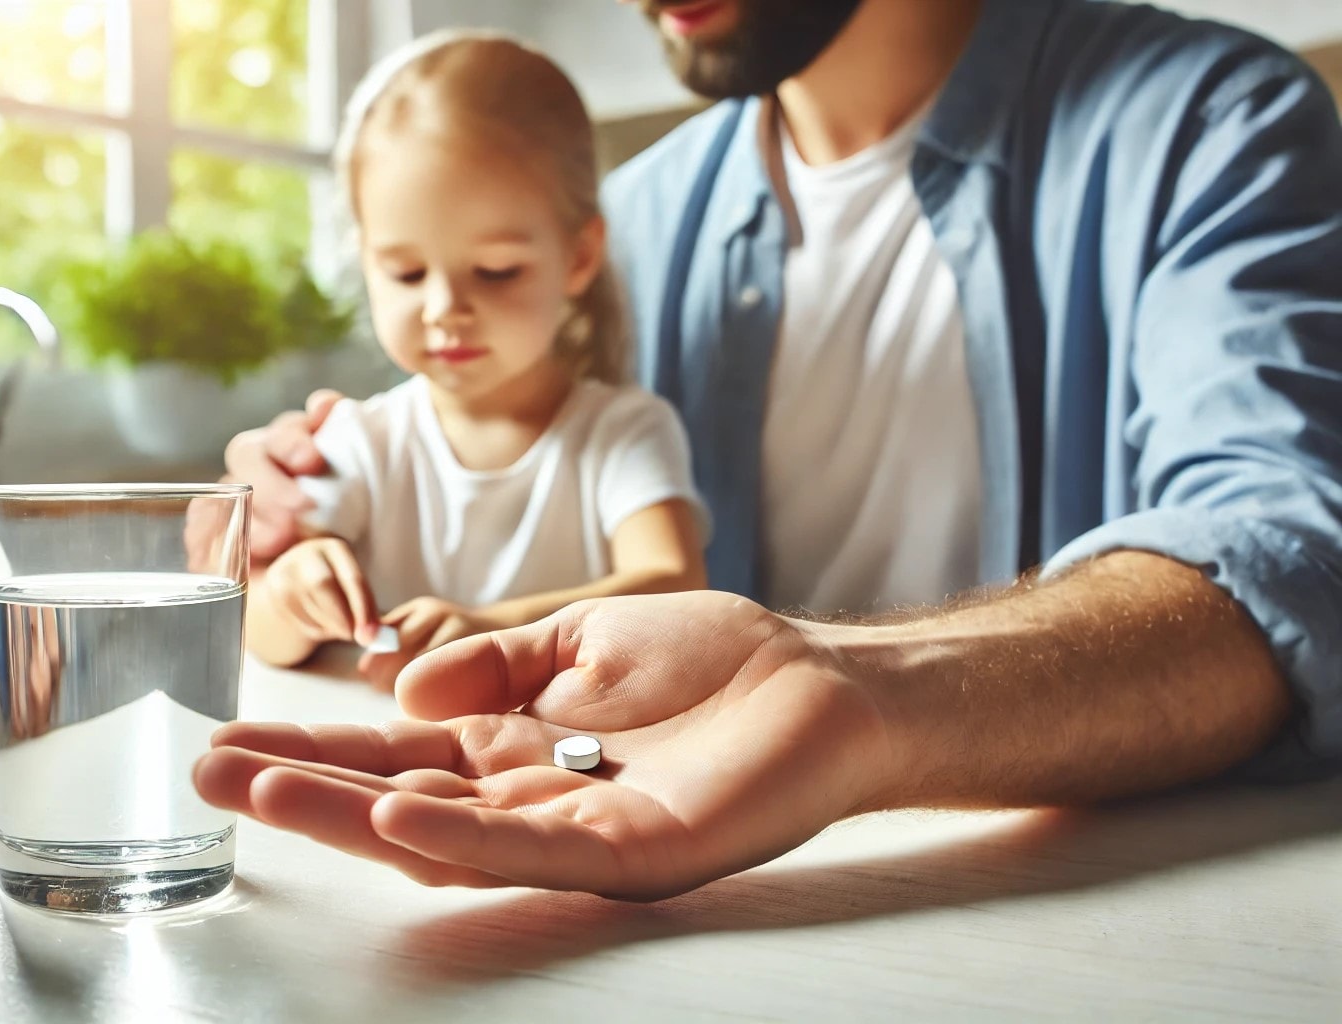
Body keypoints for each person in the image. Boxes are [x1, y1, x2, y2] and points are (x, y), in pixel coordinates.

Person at [199, 0, 1342, 899]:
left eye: (487, 275)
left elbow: (1290, 551)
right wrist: (282, 510)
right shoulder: (625, 224)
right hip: (730, 915)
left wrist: (858, 700)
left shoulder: (1208, 127)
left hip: (1104, 902)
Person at [245, 33, 708, 686]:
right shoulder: (360, 440)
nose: (443, 308)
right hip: (392, 762)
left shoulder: (624, 432)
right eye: (405, 273)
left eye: (494, 272)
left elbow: (675, 584)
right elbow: (260, 625)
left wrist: (498, 627)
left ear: (577, 258)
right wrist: (292, 590)